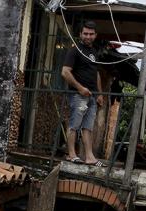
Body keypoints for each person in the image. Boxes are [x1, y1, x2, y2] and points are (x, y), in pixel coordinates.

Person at [61, 20, 104, 166]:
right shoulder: (75, 50)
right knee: (74, 125)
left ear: (95, 35)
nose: (88, 36)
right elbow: (65, 72)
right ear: (80, 34)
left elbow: (96, 74)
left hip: (92, 96)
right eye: (85, 33)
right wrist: (80, 88)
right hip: (78, 95)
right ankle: (71, 154)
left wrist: (99, 94)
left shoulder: (94, 52)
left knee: (88, 127)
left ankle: (90, 157)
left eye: (91, 34)